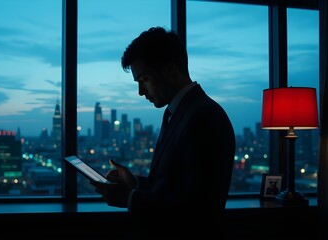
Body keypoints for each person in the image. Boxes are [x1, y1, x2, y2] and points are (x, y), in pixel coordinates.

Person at [90, 26, 235, 239]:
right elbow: (175, 188)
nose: (140, 92)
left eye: (144, 80)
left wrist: (130, 198)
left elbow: (197, 210)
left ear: (169, 70)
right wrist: (135, 183)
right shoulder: (179, 113)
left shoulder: (204, 117)